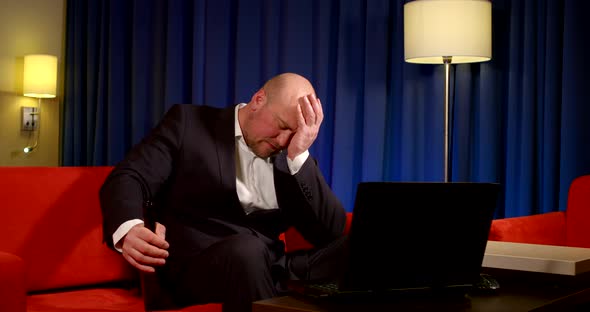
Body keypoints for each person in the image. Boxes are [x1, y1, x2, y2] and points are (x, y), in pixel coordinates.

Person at [99, 72, 348, 312]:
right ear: (258, 100)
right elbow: (130, 176)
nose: (283, 141)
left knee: (371, 244)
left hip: (275, 269)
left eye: (292, 134)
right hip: (201, 270)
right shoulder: (189, 123)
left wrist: (300, 156)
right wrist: (130, 228)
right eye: (282, 126)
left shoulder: (290, 153)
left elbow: (331, 232)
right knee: (247, 252)